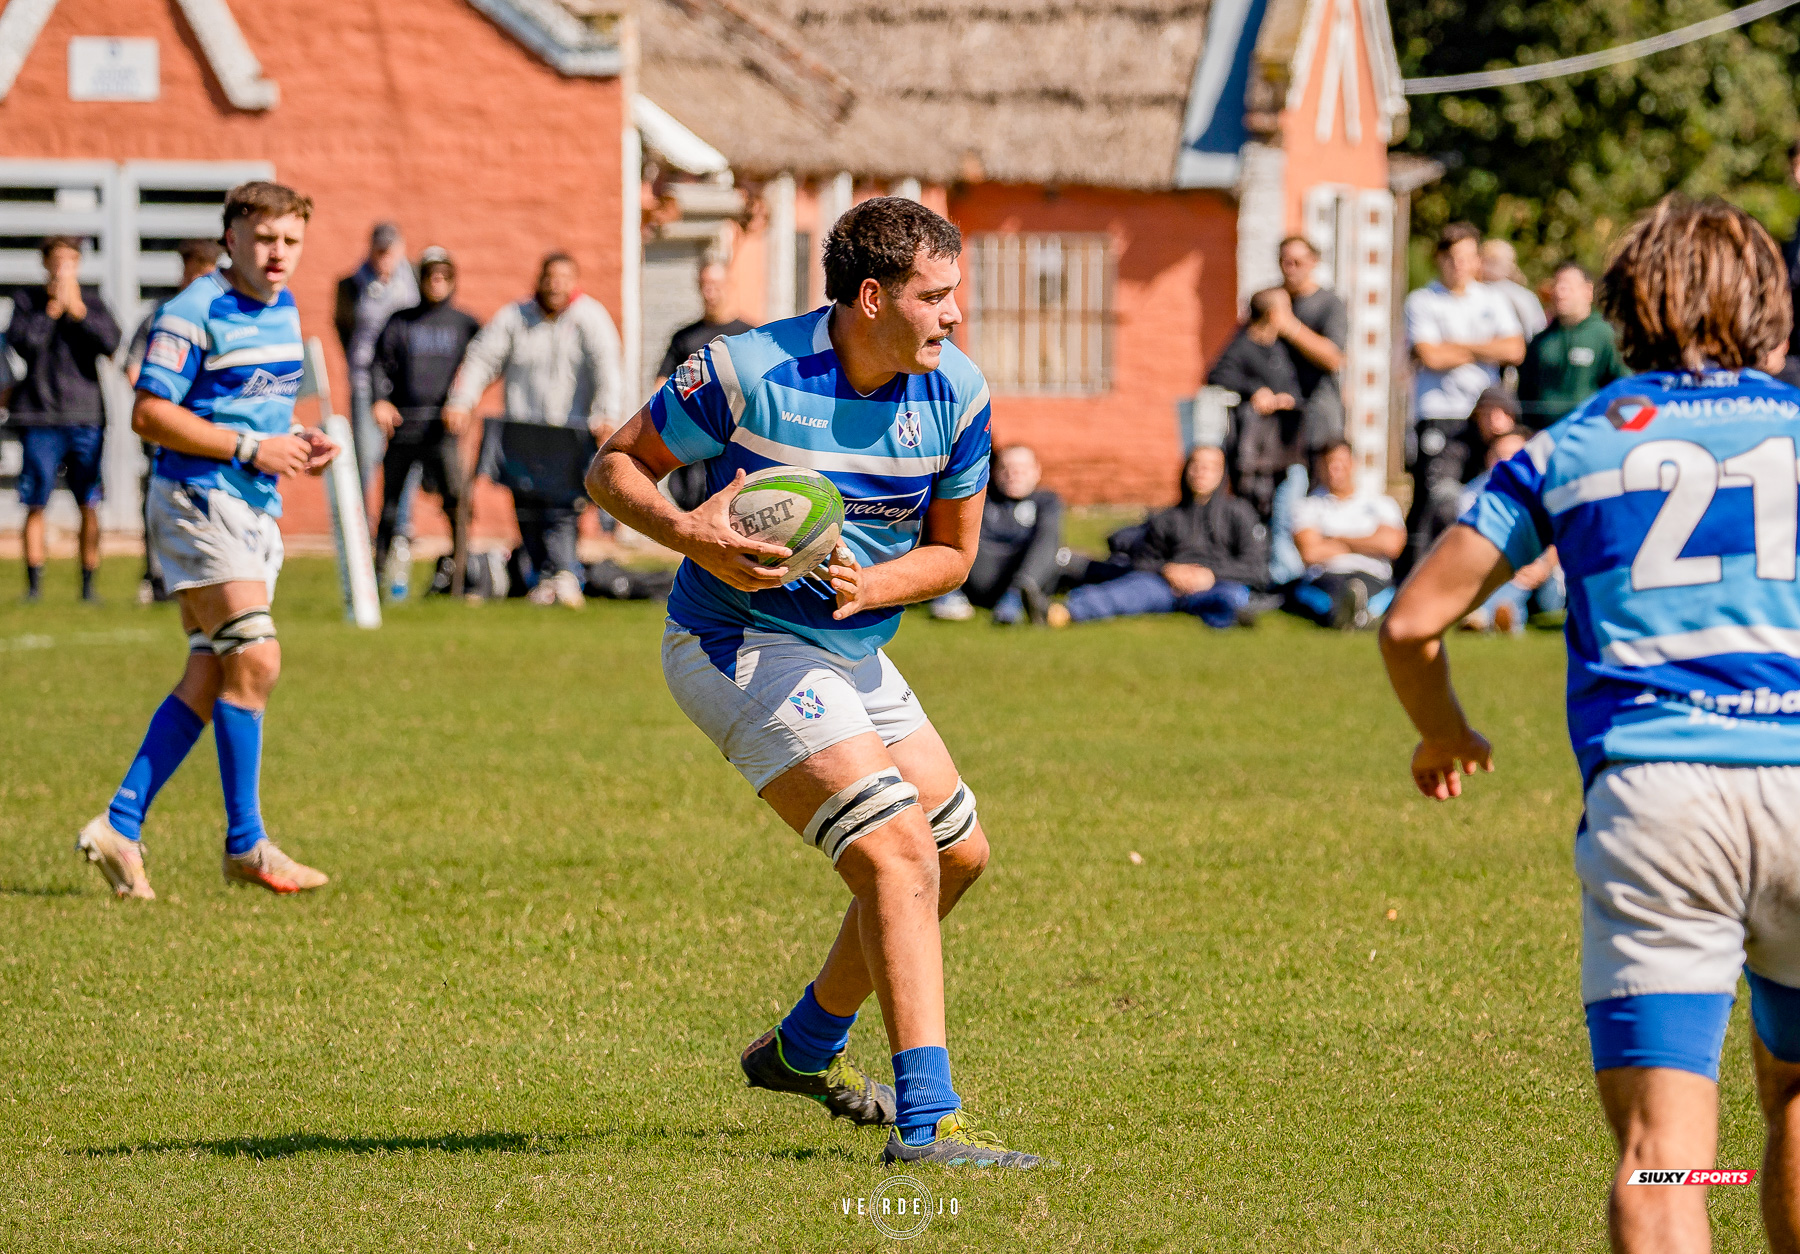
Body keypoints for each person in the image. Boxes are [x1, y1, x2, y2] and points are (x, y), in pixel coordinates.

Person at [1381, 194, 1800, 1254]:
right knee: (1796, 1095)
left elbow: (1412, 621)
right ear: (1773, 310)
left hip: (1659, 803)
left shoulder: (1575, 444)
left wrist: (1444, 732)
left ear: (1626, 311)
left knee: (1665, 1159)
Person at [586, 196, 1042, 1169]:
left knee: (958, 854)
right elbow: (614, 467)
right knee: (896, 852)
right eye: (936, 295)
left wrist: (874, 584)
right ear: (872, 297)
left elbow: (954, 555)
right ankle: (929, 1124)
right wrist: (694, 533)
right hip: (736, 641)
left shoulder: (955, 391)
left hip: (853, 647)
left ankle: (803, 1047)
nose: (955, 313)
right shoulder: (748, 371)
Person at [76, 181, 340, 900]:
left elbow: (251, 411)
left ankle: (120, 824)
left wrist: (297, 443)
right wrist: (252, 448)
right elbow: (149, 413)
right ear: (231, 239)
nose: (278, 253)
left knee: (211, 674)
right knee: (256, 657)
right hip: (197, 500)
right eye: (264, 238)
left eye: (290, 240)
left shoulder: (282, 308)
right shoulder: (192, 312)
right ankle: (246, 843)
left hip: (248, 505)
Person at [446, 252, 623, 609]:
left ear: (574, 282)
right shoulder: (515, 318)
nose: (555, 285)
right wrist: (461, 400)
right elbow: (483, 357)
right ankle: (541, 578)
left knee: (562, 510)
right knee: (527, 508)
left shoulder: (590, 318)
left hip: (569, 436)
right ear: (539, 279)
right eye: (550, 277)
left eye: (564, 278)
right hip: (523, 435)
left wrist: (607, 414)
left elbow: (608, 368)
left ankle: (566, 574)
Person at [6, 236, 122, 603]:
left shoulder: (92, 302)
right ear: (45, 264)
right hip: (39, 415)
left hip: (86, 416)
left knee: (89, 501)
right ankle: (33, 587)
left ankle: (89, 587)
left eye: (70, 261)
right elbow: (22, 345)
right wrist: (52, 311)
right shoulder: (27, 302)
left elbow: (111, 343)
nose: (62, 269)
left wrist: (79, 313)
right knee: (35, 502)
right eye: (57, 261)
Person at [1403, 223, 1525, 569]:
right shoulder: (1423, 300)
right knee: (1437, 500)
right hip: (1440, 413)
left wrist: (1456, 346)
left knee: (1483, 493)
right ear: (1440, 259)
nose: (1460, 265)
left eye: (1468, 257)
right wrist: (1485, 348)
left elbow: (1514, 349)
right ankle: (1422, 575)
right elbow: (1430, 356)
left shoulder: (1492, 299)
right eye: (1453, 257)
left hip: (1484, 415)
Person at [1049, 445, 1266, 629]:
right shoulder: (1167, 517)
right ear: (1186, 469)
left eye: (1210, 467)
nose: (1201, 472)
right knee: (1129, 590)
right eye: (1196, 465)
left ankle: (1230, 615)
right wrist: (1168, 570)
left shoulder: (1239, 514)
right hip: (1166, 587)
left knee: (1232, 597)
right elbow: (1142, 560)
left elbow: (1255, 568)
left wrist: (1211, 575)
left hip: (1218, 584)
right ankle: (1063, 612)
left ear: (1222, 473)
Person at [370, 246, 480, 596]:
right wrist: (380, 401)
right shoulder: (399, 321)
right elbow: (377, 365)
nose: (437, 281)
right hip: (404, 429)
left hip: (443, 432)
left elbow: (485, 362)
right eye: (431, 275)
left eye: (444, 275)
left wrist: (465, 402)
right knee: (390, 508)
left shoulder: (465, 324)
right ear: (420, 278)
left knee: (456, 504)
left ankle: (460, 578)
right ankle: (376, 580)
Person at [126, 238, 226, 604]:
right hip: (167, 429)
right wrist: (162, 404)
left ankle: (208, 576)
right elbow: (135, 369)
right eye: (192, 273)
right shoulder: (163, 314)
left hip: (210, 432)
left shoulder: (228, 317)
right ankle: (159, 578)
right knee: (162, 498)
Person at [929, 443, 1067, 624]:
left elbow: (1048, 540)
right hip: (979, 577)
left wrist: (1022, 583)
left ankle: (1018, 595)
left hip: (1027, 573)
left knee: (1060, 552)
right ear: (993, 472)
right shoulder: (980, 498)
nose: (1014, 474)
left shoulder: (1046, 501)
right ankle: (948, 592)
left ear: (1037, 472)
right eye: (1006, 468)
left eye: (1022, 469)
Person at [657, 262, 754, 512]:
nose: (710, 292)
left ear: (731, 286)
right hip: (694, 449)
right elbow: (663, 388)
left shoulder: (751, 336)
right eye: (705, 286)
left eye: (716, 285)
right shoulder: (685, 338)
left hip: (739, 447)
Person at [1210, 287, 1309, 521]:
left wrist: (1287, 398)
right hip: (1254, 452)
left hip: (1285, 447)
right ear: (1273, 314)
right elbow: (1217, 375)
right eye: (1286, 309)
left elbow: (1293, 384)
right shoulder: (1243, 345)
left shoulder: (1281, 347)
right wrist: (1254, 391)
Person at [334, 222, 418, 495]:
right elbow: (344, 328)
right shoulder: (351, 284)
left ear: (401, 249)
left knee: (405, 459)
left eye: (389, 251)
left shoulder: (415, 279)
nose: (384, 257)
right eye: (379, 251)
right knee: (365, 454)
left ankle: (399, 520)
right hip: (365, 381)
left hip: (405, 381)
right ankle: (363, 519)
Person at [1286, 440, 1405, 630]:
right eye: (1329, 463)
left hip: (1371, 575)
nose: (1334, 469)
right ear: (1320, 467)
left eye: (1340, 463)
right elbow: (1310, 552)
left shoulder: (1381, 503)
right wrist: (1368, 542)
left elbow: (1392, 545)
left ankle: (1353, 613)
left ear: (1353, 464)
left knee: (1373, 591)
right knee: (1318, 596)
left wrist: (1336, 539)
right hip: (1326, 576)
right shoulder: (1308, 506)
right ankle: (1348, 615)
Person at [1453, 431, 1562, 634]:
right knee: (1510, 581)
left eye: (1514, 455)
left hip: (1546, 575)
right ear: (1488, 458)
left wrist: (1543, 566)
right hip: (1498, 567)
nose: (1505, 461)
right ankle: (1508, 617)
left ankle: (1484, 615)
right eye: (1499, 455)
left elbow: (1561, 539)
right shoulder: (1470, 494)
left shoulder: (1548, 489)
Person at [1518, 261, 1628, 426]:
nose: (1560, 293)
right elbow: (1525, 392)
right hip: (1543, 432)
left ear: (1588, 291)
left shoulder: (1606, 336)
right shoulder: (1541, 341)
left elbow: (1623, 385)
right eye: (1557, 285)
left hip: (1589, 429)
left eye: (1567, 287)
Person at [1275, 235, 1350, 445]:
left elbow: (1334, 358)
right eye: (1285, 262)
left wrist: (1291, 327)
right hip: (1278, 415)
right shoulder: (1271, 301)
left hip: (1317, 412)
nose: (1290, 268)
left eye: (1297, 262)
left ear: (1313, 262)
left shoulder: (1330, 304)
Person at [1479, 239, 1548, 341]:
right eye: (1490, 261)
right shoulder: (1473, 291)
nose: (1492, 266)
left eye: (1496, 261)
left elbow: (1536, 330)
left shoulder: (1523, 296)